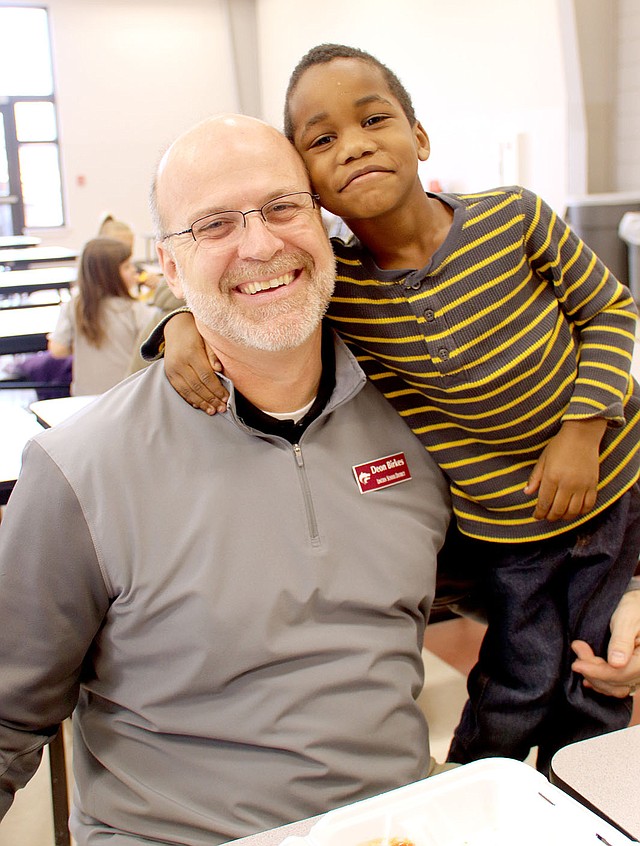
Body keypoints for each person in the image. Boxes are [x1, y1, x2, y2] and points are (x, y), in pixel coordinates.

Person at [153, 44, 640, 775]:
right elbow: (235, 285)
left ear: (418, 137)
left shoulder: (513, 219)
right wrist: (179, 322)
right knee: (519, 678)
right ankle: (479, 800)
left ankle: (582, 804)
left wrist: (581, 431)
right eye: (321, 140)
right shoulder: (337, 288)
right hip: (505, 527)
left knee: (599, 674)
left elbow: (610, 310)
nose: (353, 145)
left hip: (611, 491)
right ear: (307, 182)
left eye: (374, 119)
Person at [0, 114, 452, 846]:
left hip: (392, 827)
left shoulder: (423, 422)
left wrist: (622, 596)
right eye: (214, 224)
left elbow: (521, 556)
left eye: (283, 207)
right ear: (168, 268)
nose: (262, 244)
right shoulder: (80, 472)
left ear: (322, 223)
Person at [48, 236, 159, 395]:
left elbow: (58, 350)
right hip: (126, 396)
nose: (134, 270)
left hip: (85, 398)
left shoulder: (74, 306)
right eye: (127, 266)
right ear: (109, 275)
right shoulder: (135, 310)